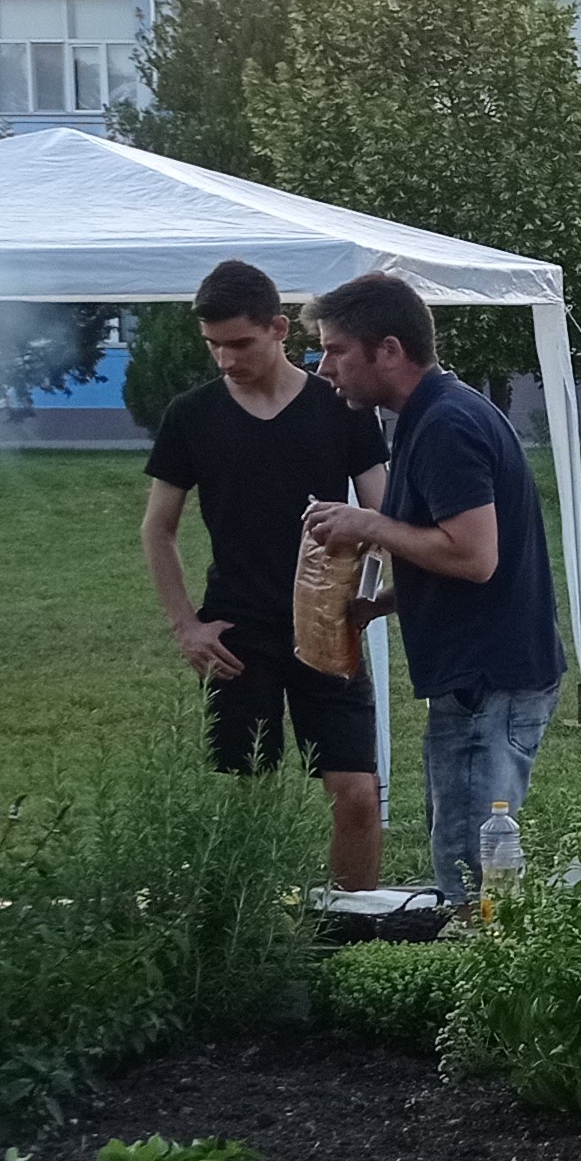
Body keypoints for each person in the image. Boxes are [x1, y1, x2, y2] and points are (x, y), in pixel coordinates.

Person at [299, 272, 564, 913]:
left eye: (335, 350)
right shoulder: (431, 414)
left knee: (472, 878)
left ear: (389, 350)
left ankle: (486, 972)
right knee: (466, 854)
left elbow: (474, 557)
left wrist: (368, 523)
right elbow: (460, 549)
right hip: (483, 677)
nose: (323, 368)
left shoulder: (446, 424)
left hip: (487, 683)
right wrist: (384, 602)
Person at [140, 259, 392, 890]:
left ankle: (354, 925)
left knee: (357, 792)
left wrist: (369, 594)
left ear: (280, 329)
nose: (226, 359)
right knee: (245, 798)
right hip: (235, 634)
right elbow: (157, 530)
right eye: (213, 345)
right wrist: (186, 628)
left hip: (326, 627)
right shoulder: (191, 415)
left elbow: (385, 517)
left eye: (240, 343)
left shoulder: (340, 406)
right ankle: (247, 928)